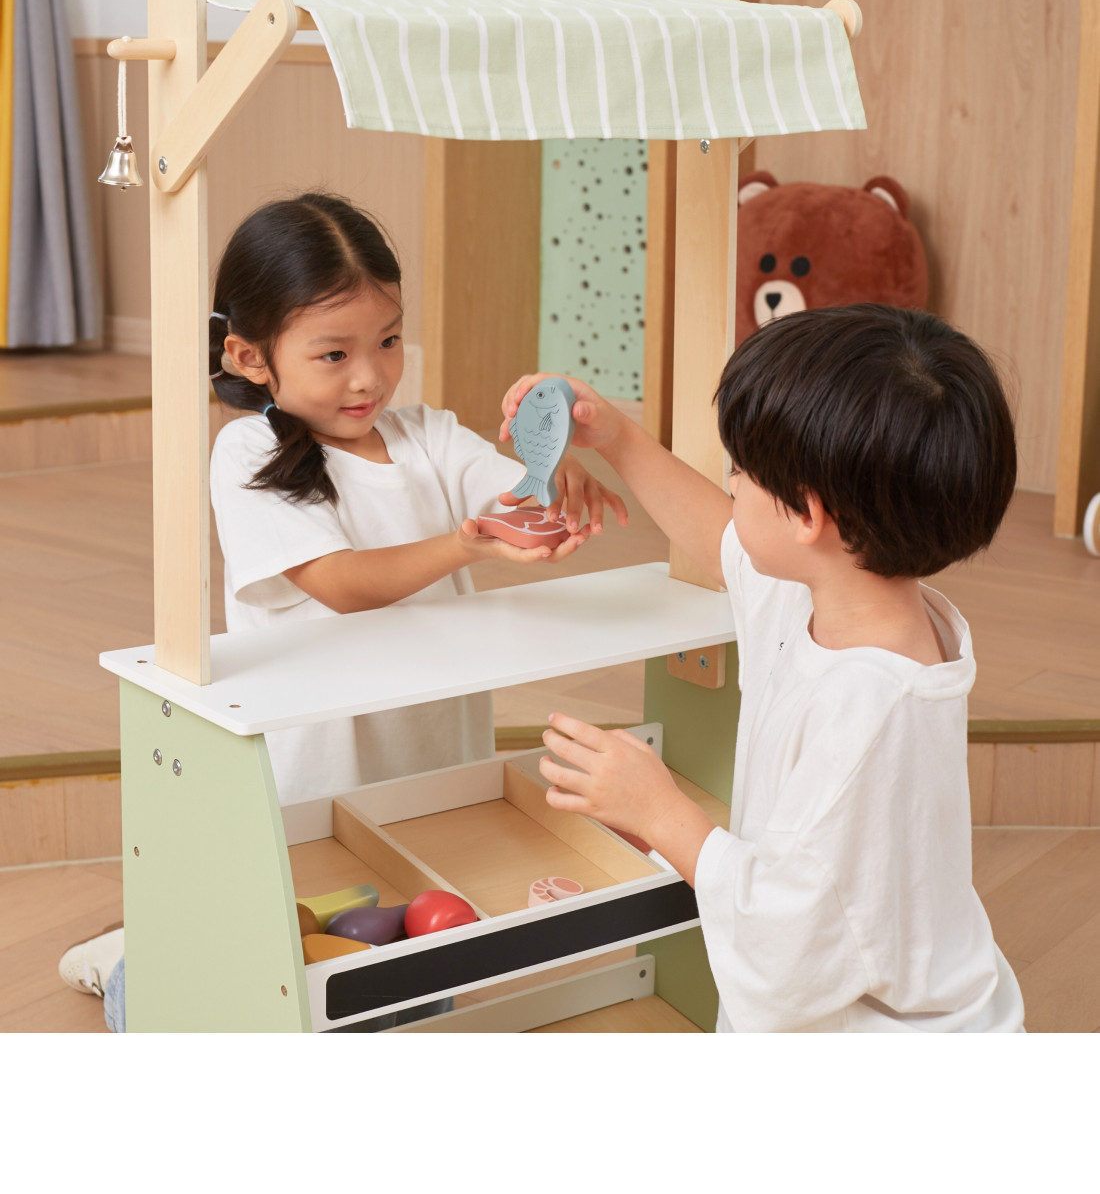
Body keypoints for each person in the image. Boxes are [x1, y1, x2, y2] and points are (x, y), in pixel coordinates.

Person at [59, 191, 625, 1028]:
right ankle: (129, 967)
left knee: (405, 976)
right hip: (316, 767)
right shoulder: (248, 451)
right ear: (251, 356)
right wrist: (469, 544)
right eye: (334, 353)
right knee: (278, 976)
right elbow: (340, 583)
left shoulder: (429, 434)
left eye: (388, 341)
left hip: (428, 752)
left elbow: (505, 491)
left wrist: (547, 479)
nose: (370, 376)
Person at [504, 303, 1026, 1033]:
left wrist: (658, 812)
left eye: (740, 473)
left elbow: (791, 944)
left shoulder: (868, 715)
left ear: (806, 516)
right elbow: (730, 540)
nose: (732, 486)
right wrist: (615, 436)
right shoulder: (842, 594)